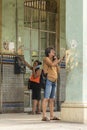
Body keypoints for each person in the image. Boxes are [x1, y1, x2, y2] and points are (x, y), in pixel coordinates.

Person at [42, 47, 61, 121]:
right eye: (52, 52)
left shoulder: (54, 61)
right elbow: (52, 64)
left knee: (52, 99)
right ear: (49, 53)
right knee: (46, 98)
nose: (54, 53)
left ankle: (52, 116)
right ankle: (44, 116)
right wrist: (58, 60)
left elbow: (58, 70)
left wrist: (56, 61)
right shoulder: (46, 59)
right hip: (48, 80)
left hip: (54, 81)